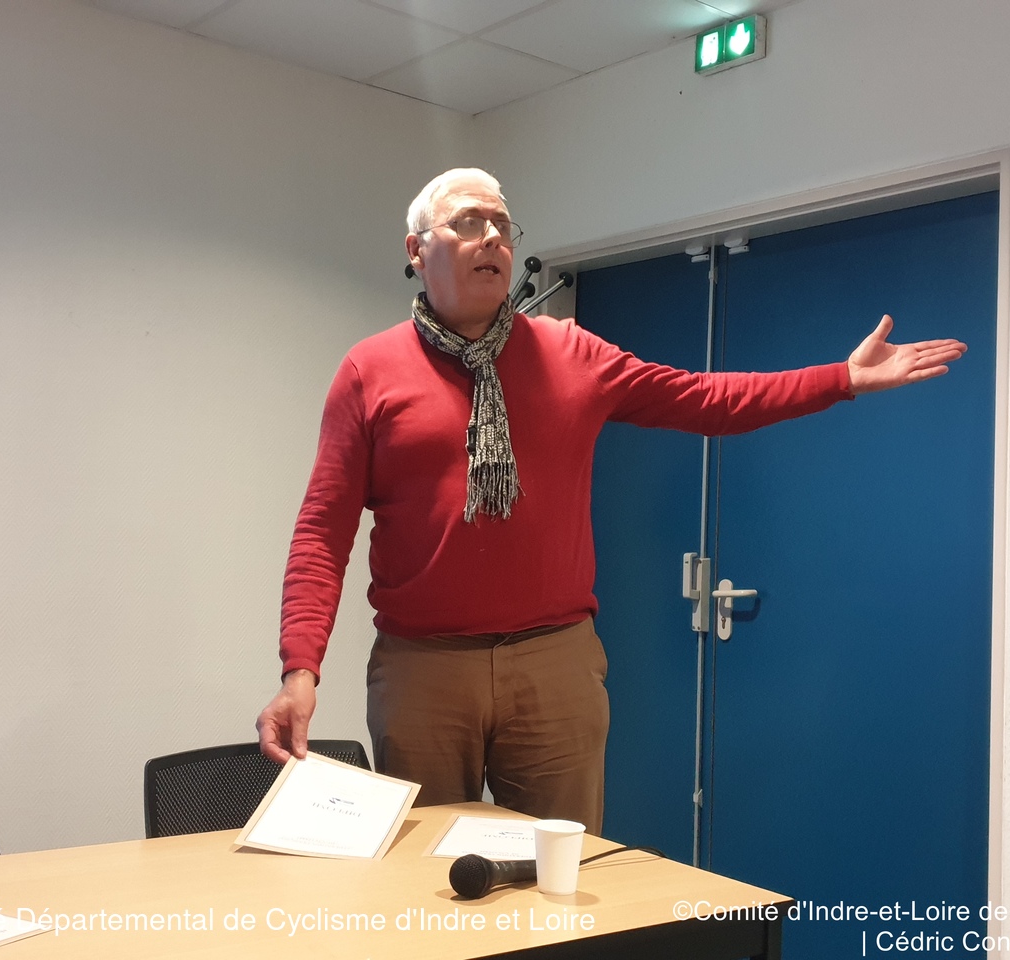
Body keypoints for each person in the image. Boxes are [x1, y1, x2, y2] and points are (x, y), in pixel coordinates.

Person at [257, 167, 966, 832]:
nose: (493, 238)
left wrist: (841, 378)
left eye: (503, 225)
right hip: (423, 670)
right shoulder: (370, 371)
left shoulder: (571, 352)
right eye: (469, 222)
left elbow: (705, 399)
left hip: (555, 662)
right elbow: (323, 531)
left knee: (560, 876)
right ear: (416, 250)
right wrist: (300, 670)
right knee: (428, 884)